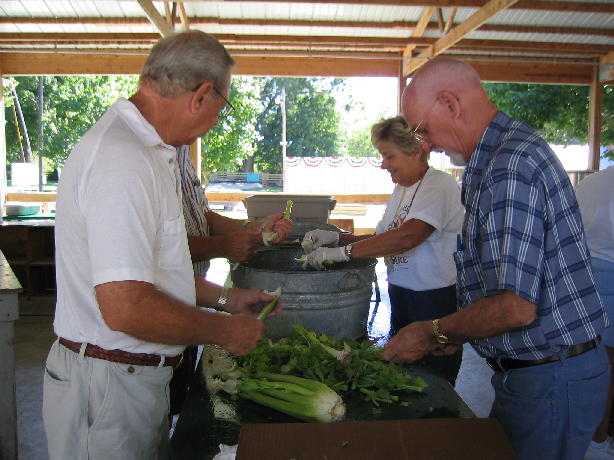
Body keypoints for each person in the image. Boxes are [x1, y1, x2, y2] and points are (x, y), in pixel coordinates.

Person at [42, 30, 281, 460]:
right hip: (108, 384)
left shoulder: (150, 151)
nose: (214, 122)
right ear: (202, 95)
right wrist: (224, 330)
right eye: (221, 109)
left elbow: (153, 273)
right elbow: (126, 306)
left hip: (126, 377)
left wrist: (228, 298)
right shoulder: (123, 159)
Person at [381, 57, 609, 460]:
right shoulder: (500, 158)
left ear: (451, 104)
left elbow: (516, 307)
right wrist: (459, 332)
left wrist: (432, 332)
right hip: (538, 375)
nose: (425, 144)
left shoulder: (509, 168)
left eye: (423, 129)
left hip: (550, 377)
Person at [301, 115, 464, 385]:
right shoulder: (401, 189)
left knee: (434, 382)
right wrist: (336, 239)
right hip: (402, 296)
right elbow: (382, 238)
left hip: (433, 302)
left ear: (414, 150)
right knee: (405, 378)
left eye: (389, 157)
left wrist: (342, 254)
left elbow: (407, 237)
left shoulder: (439, 185)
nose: (382, 165)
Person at [169, 145, 292, 416]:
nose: (216, 119)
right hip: (141, 339)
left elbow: (204, 218)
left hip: (189, 304)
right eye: (219, 105)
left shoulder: (181, 156)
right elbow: (160, 252)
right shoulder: (138, 157)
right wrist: (223, 246)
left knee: (174, 412)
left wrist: (252, 230)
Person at [576, 166, 614, 460]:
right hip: (607, 281)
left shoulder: (592, 182)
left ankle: (585, 438)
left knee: (584, 364)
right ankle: (596, 441)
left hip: (579, 280)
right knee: (607, 368)